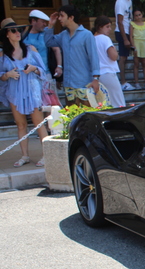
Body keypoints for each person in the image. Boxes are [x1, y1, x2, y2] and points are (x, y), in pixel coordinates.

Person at [0, 18, 48, 168]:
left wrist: (33, 68)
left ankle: (47, 154)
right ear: (7, 34)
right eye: (13, 31)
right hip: (15, 92)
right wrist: (8, 74)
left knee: (39, 123)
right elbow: (1, 76)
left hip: (32, 90)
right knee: (20, 124)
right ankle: (25, 155)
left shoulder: (30, 49)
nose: (17, 33)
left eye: (18, 30)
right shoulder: (3, 54)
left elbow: (43, 71)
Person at [45, 5, 101, 107]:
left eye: (62, 16)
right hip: (69, 84)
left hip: (84, 83)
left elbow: (94, 57)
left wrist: (96, 78)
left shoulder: (86, 35)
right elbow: (49, 42)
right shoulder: (63, 35)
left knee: (87, 116)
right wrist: (50, 25)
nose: (59, 19)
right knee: (72, 117)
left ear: (71, 17)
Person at [93, 16, 125, 107]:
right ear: (100, 27)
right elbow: (113, 56)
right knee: (118, 102)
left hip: (96, 75)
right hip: (108, 72)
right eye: (107, 26)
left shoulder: (91, 39)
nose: (110, 29)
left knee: (103, 103)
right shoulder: (105, 38)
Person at [23, 10, 62, 85]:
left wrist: (59, 66)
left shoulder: (45, 34)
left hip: (45, 73)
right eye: (42, 22)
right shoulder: (23, 35)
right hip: (28, 75)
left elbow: (56, 49)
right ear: (33, 21)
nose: (45, 24)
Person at [115, 0, 135, 91]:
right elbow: (120, 21)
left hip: (128, 31)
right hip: (122, 32)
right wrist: (125, 39)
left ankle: (124, 81)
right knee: (122, 57)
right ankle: (123, 82)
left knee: (125, 57)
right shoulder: (120, 2)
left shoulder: (129, 1)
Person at [131, 9, 145, 89]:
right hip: (136, 43)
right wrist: (133, 46)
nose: (138, 16)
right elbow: (131, 36)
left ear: (142, 15)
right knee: (136, 64)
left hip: (143, 43)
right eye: (136, 15)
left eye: (139, 14)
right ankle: (137, 83)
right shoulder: (132, 24)